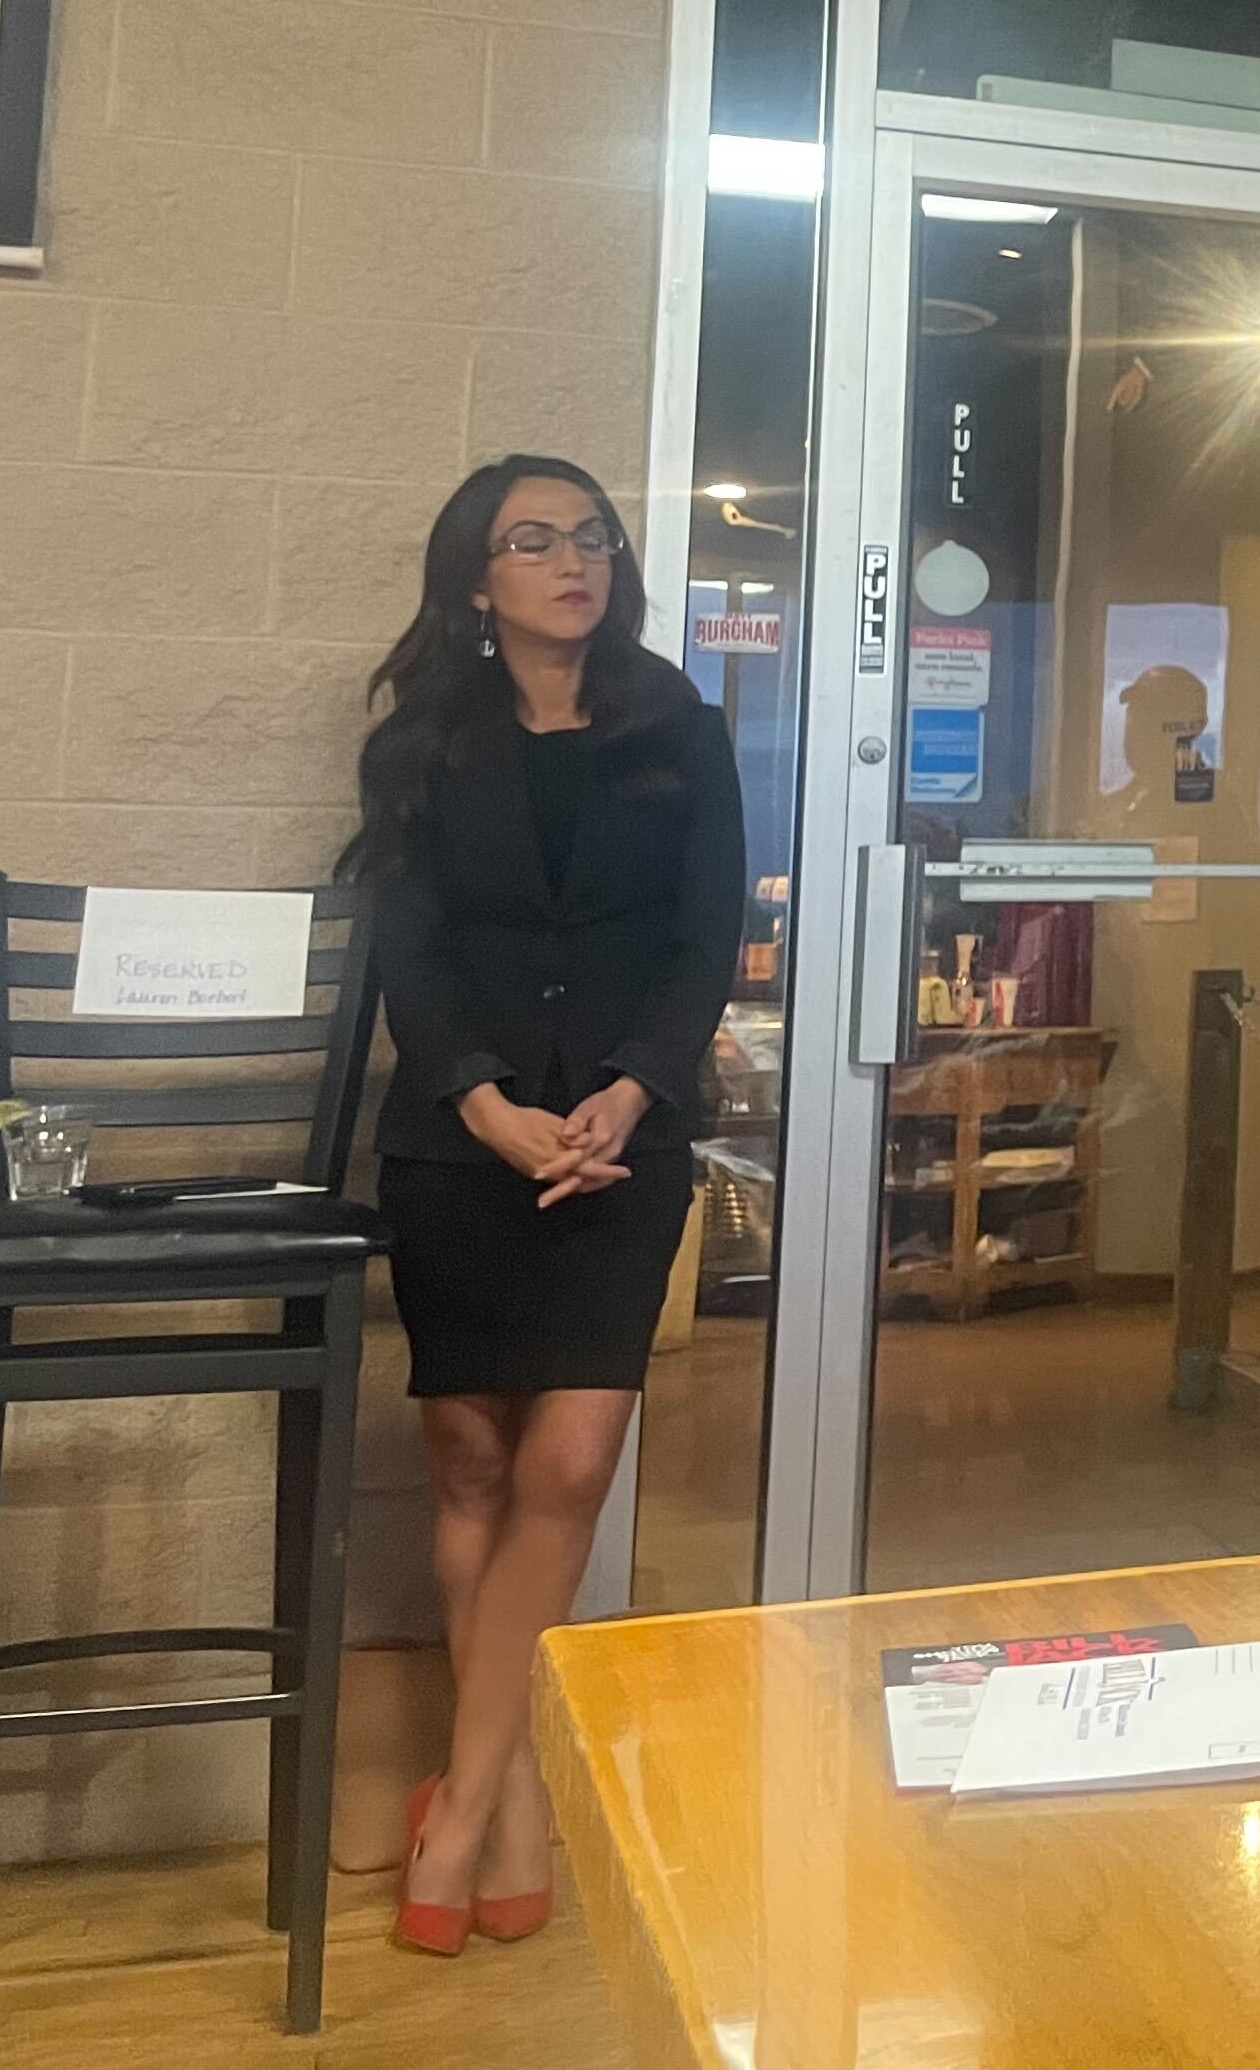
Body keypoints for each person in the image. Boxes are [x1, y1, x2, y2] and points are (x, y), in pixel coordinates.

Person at [343, 455, 742, 1953]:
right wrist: (487, 1104)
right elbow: (411, 947)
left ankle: (464, 1797)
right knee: (468, 1461)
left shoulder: (682, 729)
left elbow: (707, 933)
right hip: (465, 1142)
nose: (572, 560)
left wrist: (633, 1087)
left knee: (566, 1468)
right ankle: (500, 1804)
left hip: (625, 1139)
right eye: (534, 540)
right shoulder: (422, 746)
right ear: (474, 580)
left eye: (591, 536)